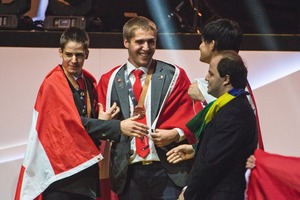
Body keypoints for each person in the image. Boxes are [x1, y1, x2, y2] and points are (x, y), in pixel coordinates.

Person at [14, 27, 148, 200]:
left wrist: (101, 120)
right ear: (60, 52)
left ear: (87, 53)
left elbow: (87, 124)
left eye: (79, 55)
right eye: (69, 54)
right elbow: (73, 123)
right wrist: (118, 126)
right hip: (60, 175)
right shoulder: (53, 84)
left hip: (85, 174)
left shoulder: (89, 82)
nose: (74, 60)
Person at [97, 16, 202, 200]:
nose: (146, 48)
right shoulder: (110, 80)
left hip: (168, 170)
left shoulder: (174, 75)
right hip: (129, 173)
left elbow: (194, 118)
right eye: (139, 42)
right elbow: (101, 128)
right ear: (126, 42)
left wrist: (176, 134)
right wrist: (115, 126)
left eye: (151, 42)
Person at [167, 50, 258, 200]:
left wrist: (188, 193)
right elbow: (224, 149)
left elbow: (213, 162)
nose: (206, 78)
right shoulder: (229, 106)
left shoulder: (234, 111)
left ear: (226, 79)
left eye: (211, 73)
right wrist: (195, 149)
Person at [187, 18, 243, 105]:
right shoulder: (239, 78)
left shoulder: (235, 86)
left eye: (202, 42)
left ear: (212, 44)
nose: (200, 46)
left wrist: (203, 98)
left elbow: (232, 111)